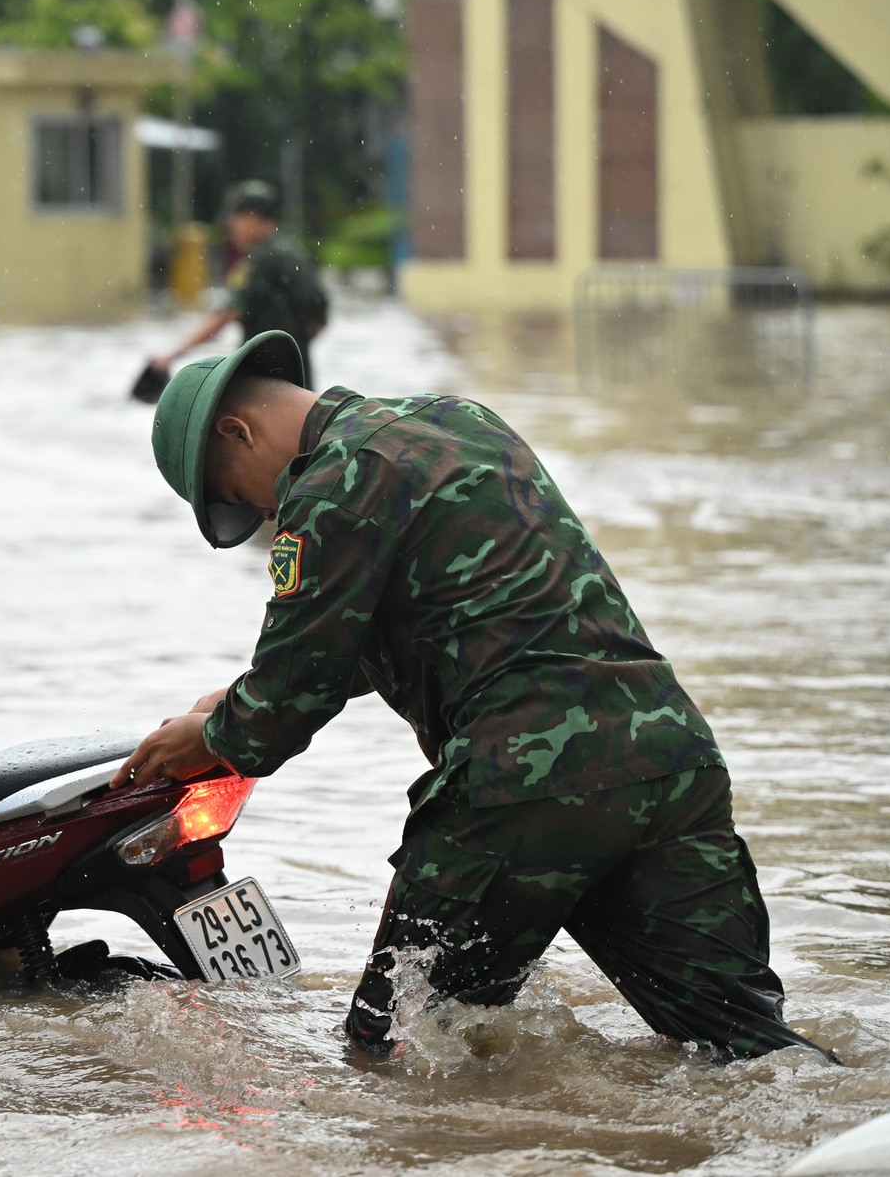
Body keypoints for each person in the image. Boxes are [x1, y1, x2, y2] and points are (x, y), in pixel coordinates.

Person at [115, 331, 828, 1061]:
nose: (266, 516)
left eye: (242, 495)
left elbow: (277, 717)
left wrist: (202, 736)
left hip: (525, 783)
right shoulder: (462, 421)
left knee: (392, 1051)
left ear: (238, 432)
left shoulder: (329, 486)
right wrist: (234, 699)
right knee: (751, 1054)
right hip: (671, 757)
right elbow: (461, 620)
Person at [152, 180, 329, 384]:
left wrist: (172, 355)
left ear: (251, 218)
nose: (230, 229)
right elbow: (318, 317)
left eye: (234, 219)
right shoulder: (294, 254)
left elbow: (226, 314)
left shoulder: (258, 261)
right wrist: (288, 347)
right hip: (300, 381)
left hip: (265, 383)